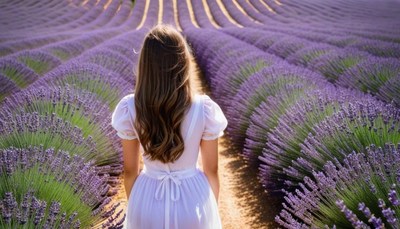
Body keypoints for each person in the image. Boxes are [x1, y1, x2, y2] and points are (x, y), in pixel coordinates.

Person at [111, 24, 228, 229]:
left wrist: (139, 205)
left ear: (145, 65)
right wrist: (211, 209)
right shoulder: (204, 108)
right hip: (193, 198)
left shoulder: (130, 107)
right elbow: (212, 170)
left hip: (147, 197)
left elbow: (130, 171)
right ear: (183, 62)